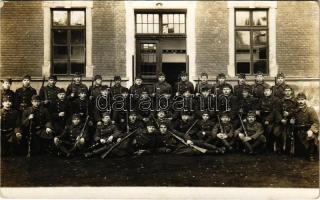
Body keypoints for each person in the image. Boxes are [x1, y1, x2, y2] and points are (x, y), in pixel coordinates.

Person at [292, 92, 319, 161]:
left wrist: (311, 130)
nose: (300, 102)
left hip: (308, 130)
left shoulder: (310, 110)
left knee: (311, 136)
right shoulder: (295, 111)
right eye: (299, 100)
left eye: (302, 99)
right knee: (299, 153)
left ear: (305, 100)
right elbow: (293, 120)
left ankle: (311, 154)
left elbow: (316, 123)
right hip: (299, 131)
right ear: (297, 101)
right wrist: (292, 121)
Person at [256, 85, 281, 152]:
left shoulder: (276, 100)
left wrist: (268, 119)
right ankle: (263, 146)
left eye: (267, 91)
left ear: (271, 91)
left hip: (273, 119)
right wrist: (257, 110)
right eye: (265, 91)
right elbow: (258, 108)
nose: (266, 92)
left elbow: (275, 111)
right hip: (263, 117)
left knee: (273, 131)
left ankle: (273, 147)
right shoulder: (261, 99)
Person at [274, 85, 298, 154]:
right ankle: (279, 149)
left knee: (289, 134)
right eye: (286, 91)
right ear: (284, 92)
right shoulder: (280, 101)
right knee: (277, 132)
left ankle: (289, 149)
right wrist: (281, 119)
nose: (287, 92)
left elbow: (297, 110)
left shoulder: (295, 101)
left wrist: (290, 114)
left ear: (291, 91)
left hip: (291, 121)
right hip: (282, 121)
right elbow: (277, 112)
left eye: (289, 91)